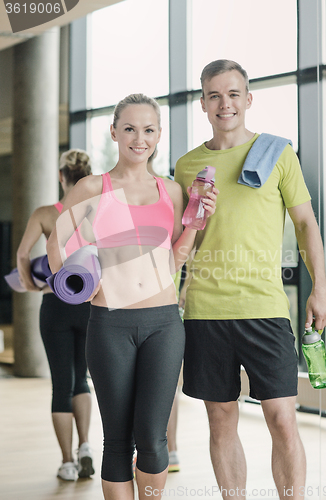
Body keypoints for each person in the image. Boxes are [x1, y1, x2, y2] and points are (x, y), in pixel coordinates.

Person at [174, 60, 326, 500]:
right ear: (203, 103)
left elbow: (306, 225)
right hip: (205, 309)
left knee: (283, 418)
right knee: (221, 419)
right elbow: (178, 240)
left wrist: (320, 289)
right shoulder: (187, 166)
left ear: (248, 99)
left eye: (232, 94)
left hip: (264, 309)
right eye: (214, 95)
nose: (224, 104)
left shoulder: (278, 153)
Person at [46, 93, 217, 500]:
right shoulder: (92, 187)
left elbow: (176, 257)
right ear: (114, 132)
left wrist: (196, 220)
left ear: (158, 135)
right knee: (118, 440)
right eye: (130, 129)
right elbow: (56, 244)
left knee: (154, 438)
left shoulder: (172, 191)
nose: (139, 139)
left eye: (149, 130)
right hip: (109, 325)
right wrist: (78, 288)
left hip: (163, 324)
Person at [16, 149, 95, 481]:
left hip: (56, 305)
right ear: (87, 175)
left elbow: (23, 254)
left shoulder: (46, 213)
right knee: (82, 379)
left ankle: (67, 462)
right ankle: (86, 446)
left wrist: (30, 286)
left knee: (60, 384)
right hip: (90, 305)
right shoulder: (96, 213)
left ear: (61, 176)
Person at [146, 148, 181, 473]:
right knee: (165, 390)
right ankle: (171, 448)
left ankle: (169, 448)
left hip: (166, 308)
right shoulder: (104, 190)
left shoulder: (170, 191)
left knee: (163, 388)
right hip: (121, 312)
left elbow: (180, 252)